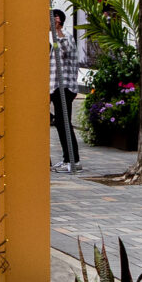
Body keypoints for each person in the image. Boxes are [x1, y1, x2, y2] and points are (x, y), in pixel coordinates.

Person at [48, 9, 82, 173]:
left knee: (64, 123)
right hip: (54, 86)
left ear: (58, 20)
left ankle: (73, 160)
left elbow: (65, 48)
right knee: (61, 123)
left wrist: (57, 30)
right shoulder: (51, 37)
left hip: (64, 86)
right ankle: (67, 159)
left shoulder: (65, 35)